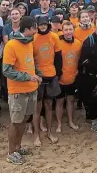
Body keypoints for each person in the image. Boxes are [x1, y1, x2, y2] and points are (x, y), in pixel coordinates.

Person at [2, 16, 41, 165]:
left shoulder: (29, 43)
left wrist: (37, 74)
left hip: (31, 89)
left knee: (24, 119)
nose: (36, 30)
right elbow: (7, 70)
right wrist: (28, 77)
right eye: (35, 27)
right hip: (18, 90)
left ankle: (18, 147)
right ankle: (11, 152)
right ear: (28, 28)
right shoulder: (11, 45)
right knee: (16, 121)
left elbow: (30, 62)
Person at [32, 16, 62, 146]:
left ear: (48, 24)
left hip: (51, 75)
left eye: (44, 24)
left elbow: (58, 57)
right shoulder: (33, 37)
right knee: (37, 108)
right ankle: (36, 135)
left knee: (49, 106)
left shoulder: (54, 36)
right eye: (40, 24)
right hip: (38, 76)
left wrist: (58, 73)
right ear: (37, 25)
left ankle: (49, 132)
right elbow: (30, 57)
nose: (42, 26)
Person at [55, 21, 82, 132]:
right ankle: (59, 124)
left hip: (73, 77)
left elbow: (80, 60)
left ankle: (71, 121)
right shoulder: (58, 43)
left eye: (70, 29)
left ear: (73, 30)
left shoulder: (78, 44)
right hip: (60, 78)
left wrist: (77, 73)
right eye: (66, 30)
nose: (68, 32)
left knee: (71, 100)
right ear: (62, 30)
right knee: (60, 101)